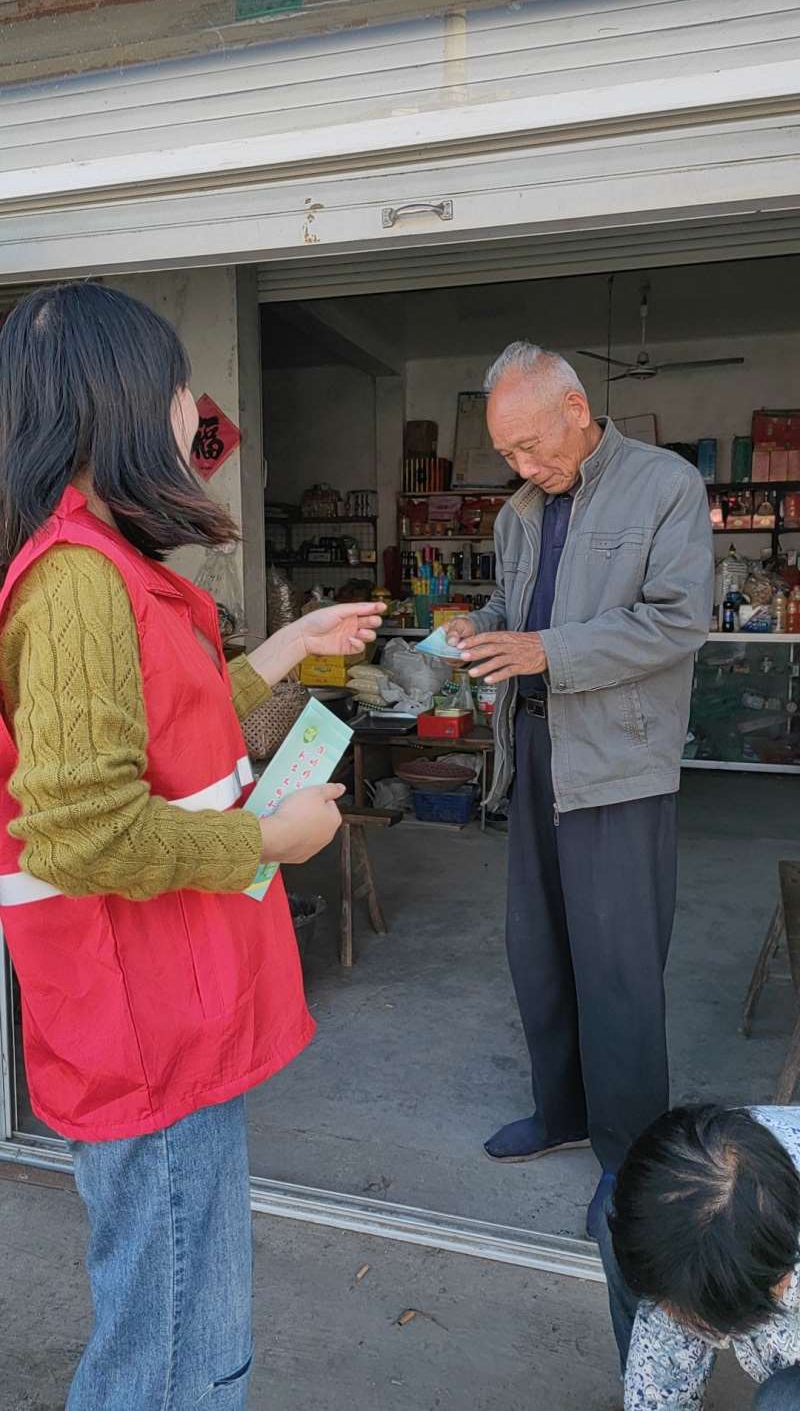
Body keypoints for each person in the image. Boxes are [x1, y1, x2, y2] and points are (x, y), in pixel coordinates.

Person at [0, 282, 384, 1410]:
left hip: (166, 1006)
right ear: (126, 403)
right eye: (181, 392)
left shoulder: (96, 562)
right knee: (175, 1354)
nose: (192, 414)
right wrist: (274, 835)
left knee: (177, 1329)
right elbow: (86, 831)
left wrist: (284, 648)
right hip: (144, 1028)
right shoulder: (76, 579)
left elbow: (169, 728)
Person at [446, 342, 713, 1237]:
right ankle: (561, 1111)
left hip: (618, 760)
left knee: (618, 966)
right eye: (507, 453)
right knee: (540, 947)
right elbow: (518, 612)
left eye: (530, 446)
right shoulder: (520, 512)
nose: (523, 466)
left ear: (575, 407)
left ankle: (631, 1157)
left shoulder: (664, 487)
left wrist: (545, 650)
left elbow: (677, 620)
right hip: (534, 747)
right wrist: (478, 626)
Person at [599, 1104, 800, 1409]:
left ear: (780, 1283)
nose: (672, 1319)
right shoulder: (713, 1157)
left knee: (783, 1399)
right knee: (620, 1224)